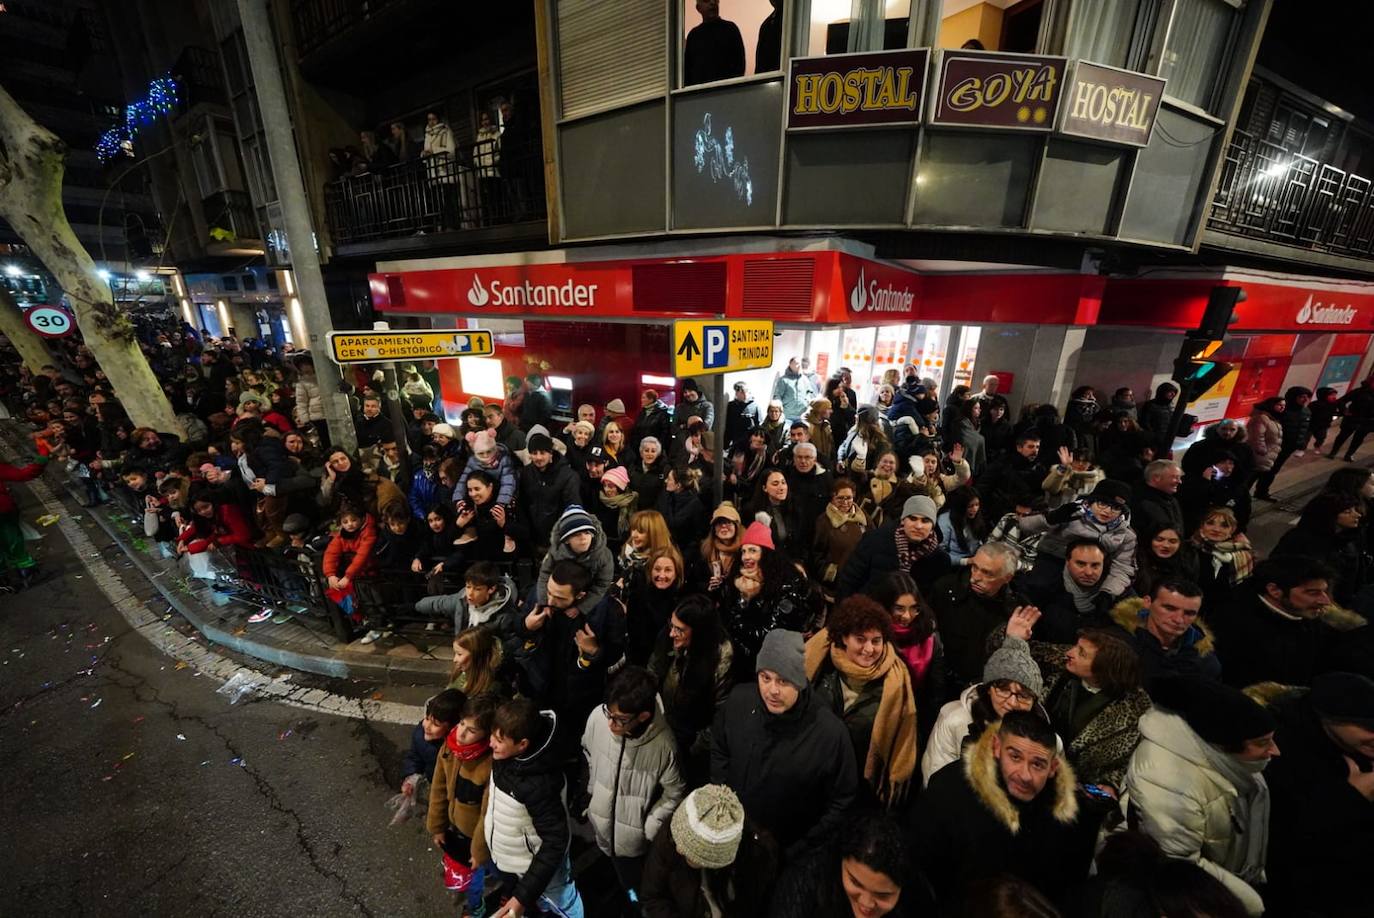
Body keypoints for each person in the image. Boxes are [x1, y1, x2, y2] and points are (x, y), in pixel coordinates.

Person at [912, 710, 1100, 912]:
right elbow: (921, 876)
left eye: (1037, 764)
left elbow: (1069, 892)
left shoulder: (1071, 815)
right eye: (1015, 757)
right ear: (996, 747)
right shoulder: (948, 792)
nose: (1025, 775)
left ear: (1053, 767)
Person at [1123, 677, 1279, 915]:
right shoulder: (1165, 781)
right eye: (1262, 743)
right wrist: (1248, 905)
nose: (1275, 751)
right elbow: (1180, 864)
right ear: (1222, 744)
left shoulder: (1231, 763)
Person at [711, 629, 858, 859]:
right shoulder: (739, 701)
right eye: (765, 678)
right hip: (733, 835)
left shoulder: (830, 733)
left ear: (799, 681)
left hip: (787, 853)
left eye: (783, 680)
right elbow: (720, 746)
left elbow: (842, 801)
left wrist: (800, 848)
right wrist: (722, 795)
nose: (772, 690)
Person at [1261, 672, 1374, 918]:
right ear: (1329, 718)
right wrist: (1353, 796)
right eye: (1368, 727)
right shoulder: (1277, 753)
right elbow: (1284, 843)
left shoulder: (1353, 745)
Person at [1004, 608, 1150, 794]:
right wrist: (1012, 637)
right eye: (1076, 646)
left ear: (1105, 669)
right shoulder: (1056, 662)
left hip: (1073, 793)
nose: (1070, 653)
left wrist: (1111, 785)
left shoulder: (1136, 709)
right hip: (1021, 768)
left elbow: (1126, 763)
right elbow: (1001, 656)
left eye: (1081, 653)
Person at [578, 666, 686, 904]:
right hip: (601, 829)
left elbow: (674, 792)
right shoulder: (598, 716)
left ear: (643, 717)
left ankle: (633, 903)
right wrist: (590, 792)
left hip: (633, 844)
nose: (611, 724)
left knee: (633, 888)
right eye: (609, 713)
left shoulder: (663, 745)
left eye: (620, 720)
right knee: (612, 868)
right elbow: (587, 751)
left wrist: (648, 827)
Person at [804, 596, 918, 805]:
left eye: (876, 641)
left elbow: (902, 738)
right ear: (844, 637)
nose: (869, 649)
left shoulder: (895, 682)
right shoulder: (821, 664)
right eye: (860, 639)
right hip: (810, 770)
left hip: (857, 787)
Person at [484, 699, 585, 918]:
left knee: (564, 902)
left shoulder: (539, 786)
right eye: (492, 735)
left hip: (534, 866)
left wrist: (522, 897)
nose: (491, 743)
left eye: (499, 740)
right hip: (513, 859)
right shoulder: (505, 756)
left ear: (522, 744)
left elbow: (555, 841)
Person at [1210, 556, 1372, 687]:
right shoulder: (1235, 627)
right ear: (1274, 590)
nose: (1326, 601)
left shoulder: (1313, 618)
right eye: (1313, 592)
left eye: (1325, 591)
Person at [921, 630, 1044, 784]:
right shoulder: (955, 720)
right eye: (1004, 690)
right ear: (988, 689)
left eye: (1023, 696)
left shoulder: (1046, 738)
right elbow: (935, 778)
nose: (1012, 703)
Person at [639, 783, 778, 918]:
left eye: (691, 850)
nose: (679, 848)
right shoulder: (673, 833)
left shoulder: (757, 856)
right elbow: (652, 897)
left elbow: (751, 906)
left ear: (717, 859)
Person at [767, 813, 917, 918]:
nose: (866, 903)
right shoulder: (804, 881)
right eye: (855, 883)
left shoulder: (917, 901)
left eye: (882, 895)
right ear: (841, 862)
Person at [426, 693, 495, 904]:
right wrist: (437, 826)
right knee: (463, 869)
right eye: (462, 723)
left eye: (471, 730)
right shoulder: (449, 747)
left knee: (482, 873)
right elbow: (438, 788)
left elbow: (487, 815)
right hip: (454, 827)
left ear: (486, 734)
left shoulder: (489, 765)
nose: (461, 733)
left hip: (476, 836)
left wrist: (479, 851)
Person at [715, 520, 808, 664]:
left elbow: (768, 636)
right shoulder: (736, 581)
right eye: (744, 551)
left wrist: (743, 602)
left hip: (772, 661)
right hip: (740, 659)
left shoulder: (785, 585)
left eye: (753, 550)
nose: (746, 557)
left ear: (766, 555)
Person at [1109, 579, 1221, 687]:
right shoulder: (1113, 642)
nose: (1178, 619)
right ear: (1147, 602)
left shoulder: (1206, 663)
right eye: (1169, 608)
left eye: (1189, 613)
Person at [835, 495, 950, 597]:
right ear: (903, 520)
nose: (918, 526)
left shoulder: (939, 559)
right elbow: (849, 580)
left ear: (932, 525)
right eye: (913, 518)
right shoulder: (875, 541)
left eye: (925, 521)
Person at [1272, 491, 1370, 611]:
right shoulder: (1301, 540)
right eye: (1347, 512)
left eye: (1355, 510)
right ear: (1330, 516)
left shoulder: (1349, 539)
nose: (1357, 515)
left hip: (1343, 603)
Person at [515, 431, 580, 560]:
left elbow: (573, 507)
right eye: (534, 453)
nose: (538, 457)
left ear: (551, 454)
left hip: (558, 539)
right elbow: (521, 504)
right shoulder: (526, 474)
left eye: (542, 453)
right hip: (532, 538)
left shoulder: (568, 476)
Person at [623, 544, 684, 666]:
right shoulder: (638, 595)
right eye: (657, 569)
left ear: (676, 572)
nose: (661, 575)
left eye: (668, 570)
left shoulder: (683, 600)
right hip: (641, 659)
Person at [402, 688, 467, 803]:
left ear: (452, 728)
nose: (427, 726)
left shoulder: (460, 749)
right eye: (427, 718)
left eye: (436, 724)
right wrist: (411, 777)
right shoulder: (420, 735)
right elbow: (414, 756)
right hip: (435, 783)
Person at [811, 477, 867, 597]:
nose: (845, 502)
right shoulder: (823, 521)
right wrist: (831, 573)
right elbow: (817, 553)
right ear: (832, 497)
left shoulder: (864, 518)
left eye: (849, 498)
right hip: (837, 585)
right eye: (840, 498)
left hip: (861, 581)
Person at [1253, 385, 1312, 499]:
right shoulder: (1282, 410)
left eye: (1307, 397)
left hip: (1288, 447)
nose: (1305, 400)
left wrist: (1301, 444)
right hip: (1272, 446)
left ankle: (1262, 492)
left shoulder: (1306, 412)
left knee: (1273, 470)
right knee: (1259, 469)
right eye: (1301, 397)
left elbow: (1304, 429)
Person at [1189, 508, 1254, 608]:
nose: (1216, 529)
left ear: (1232, 530)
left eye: (1224, 525)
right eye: (1210, 523)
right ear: (1201, 526)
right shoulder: (1189, 550)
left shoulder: (1243, 556)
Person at [683, 0, 745, 86]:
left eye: (716, 0)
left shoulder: (730, 29)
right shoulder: (693, 36)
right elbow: (688, 71)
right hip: (699, 94)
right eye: (706, 0)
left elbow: (739, 65)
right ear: (698, 8)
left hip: (727, 91)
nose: (712, 2)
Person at [1132, 459, 1185, 536]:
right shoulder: (1143, 503)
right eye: (1175, 477)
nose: (1179, 481)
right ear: (1156, 478)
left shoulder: (1172, 500)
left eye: (1179, 477)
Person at [937, 485, 987, 566]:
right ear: (961, 506)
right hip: (954, 564)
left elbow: (978, 542)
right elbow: (940, 554)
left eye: (977, 505)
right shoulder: (944, 521)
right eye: (970, 506)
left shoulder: (975, 518)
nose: (975, 509)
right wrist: (965, 561)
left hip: (974, 558)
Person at [1246, 396, 1285, 497]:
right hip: (1258, 455)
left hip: (1266, 455)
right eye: (1279, 405)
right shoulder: (1262, 417)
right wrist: (1263, 451)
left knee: (1252, 478)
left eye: (1284, 406)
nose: (1282, 408)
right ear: (1271, 405)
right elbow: (1257, 436)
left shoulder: (1273, 418)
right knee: (1248, 479)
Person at [1327, 378, 1374, 460]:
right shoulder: (1359, 392)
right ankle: (1333, 452)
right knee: (1343, 436)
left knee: (1359, 439)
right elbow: (1341, 401)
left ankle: (1349, 455)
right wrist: (1344, 411)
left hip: (1368, 421)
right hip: (1353, 418)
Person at [1136, 382, 1179, 460]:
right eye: (1170, 392)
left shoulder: (1170, 405)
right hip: (1154, 440)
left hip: (1167, 437)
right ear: (1162, 392)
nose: (1173, 394)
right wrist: (1154, 436)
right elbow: (1145, 422)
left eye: (1174, 392)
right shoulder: (1151, 405)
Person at [724, 381, 762, 451]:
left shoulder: (755, 406)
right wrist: (726, 444)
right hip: (735, 441)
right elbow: (728, 425)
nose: (743, 394)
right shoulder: (732, 406)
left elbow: (758, 426)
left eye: (744, 392)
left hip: (748, 441)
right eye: (740, 392)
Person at [772, 357, 813, 421]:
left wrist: (807, 402)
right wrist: (779, 410)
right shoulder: (783, 380)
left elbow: (809, 392)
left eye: (799, 363)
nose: (798, 365)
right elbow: (777, 396)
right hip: (787, 415)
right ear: (790, 365)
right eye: (796, 363)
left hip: (802, 415)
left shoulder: (805, 379)